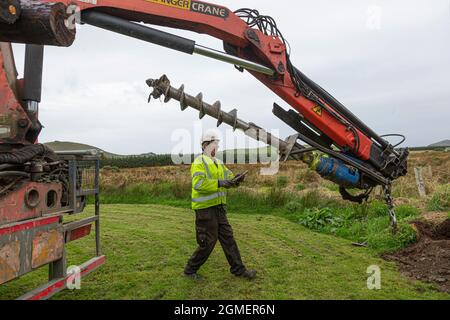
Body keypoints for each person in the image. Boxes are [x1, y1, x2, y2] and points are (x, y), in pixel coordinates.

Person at [183, 129, 257, 280]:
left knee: (228, 238)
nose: (215, 147)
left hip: (219, 208)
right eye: (213, 144)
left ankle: (239, 270)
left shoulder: (218, 163)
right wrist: (220, 183)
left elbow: (228, 178)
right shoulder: (199, 162)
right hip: (205, 210)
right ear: (204, 145)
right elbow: (198, 184)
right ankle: (190, 270)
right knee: (208, 242)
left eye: (216, 144)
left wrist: (236, 180)